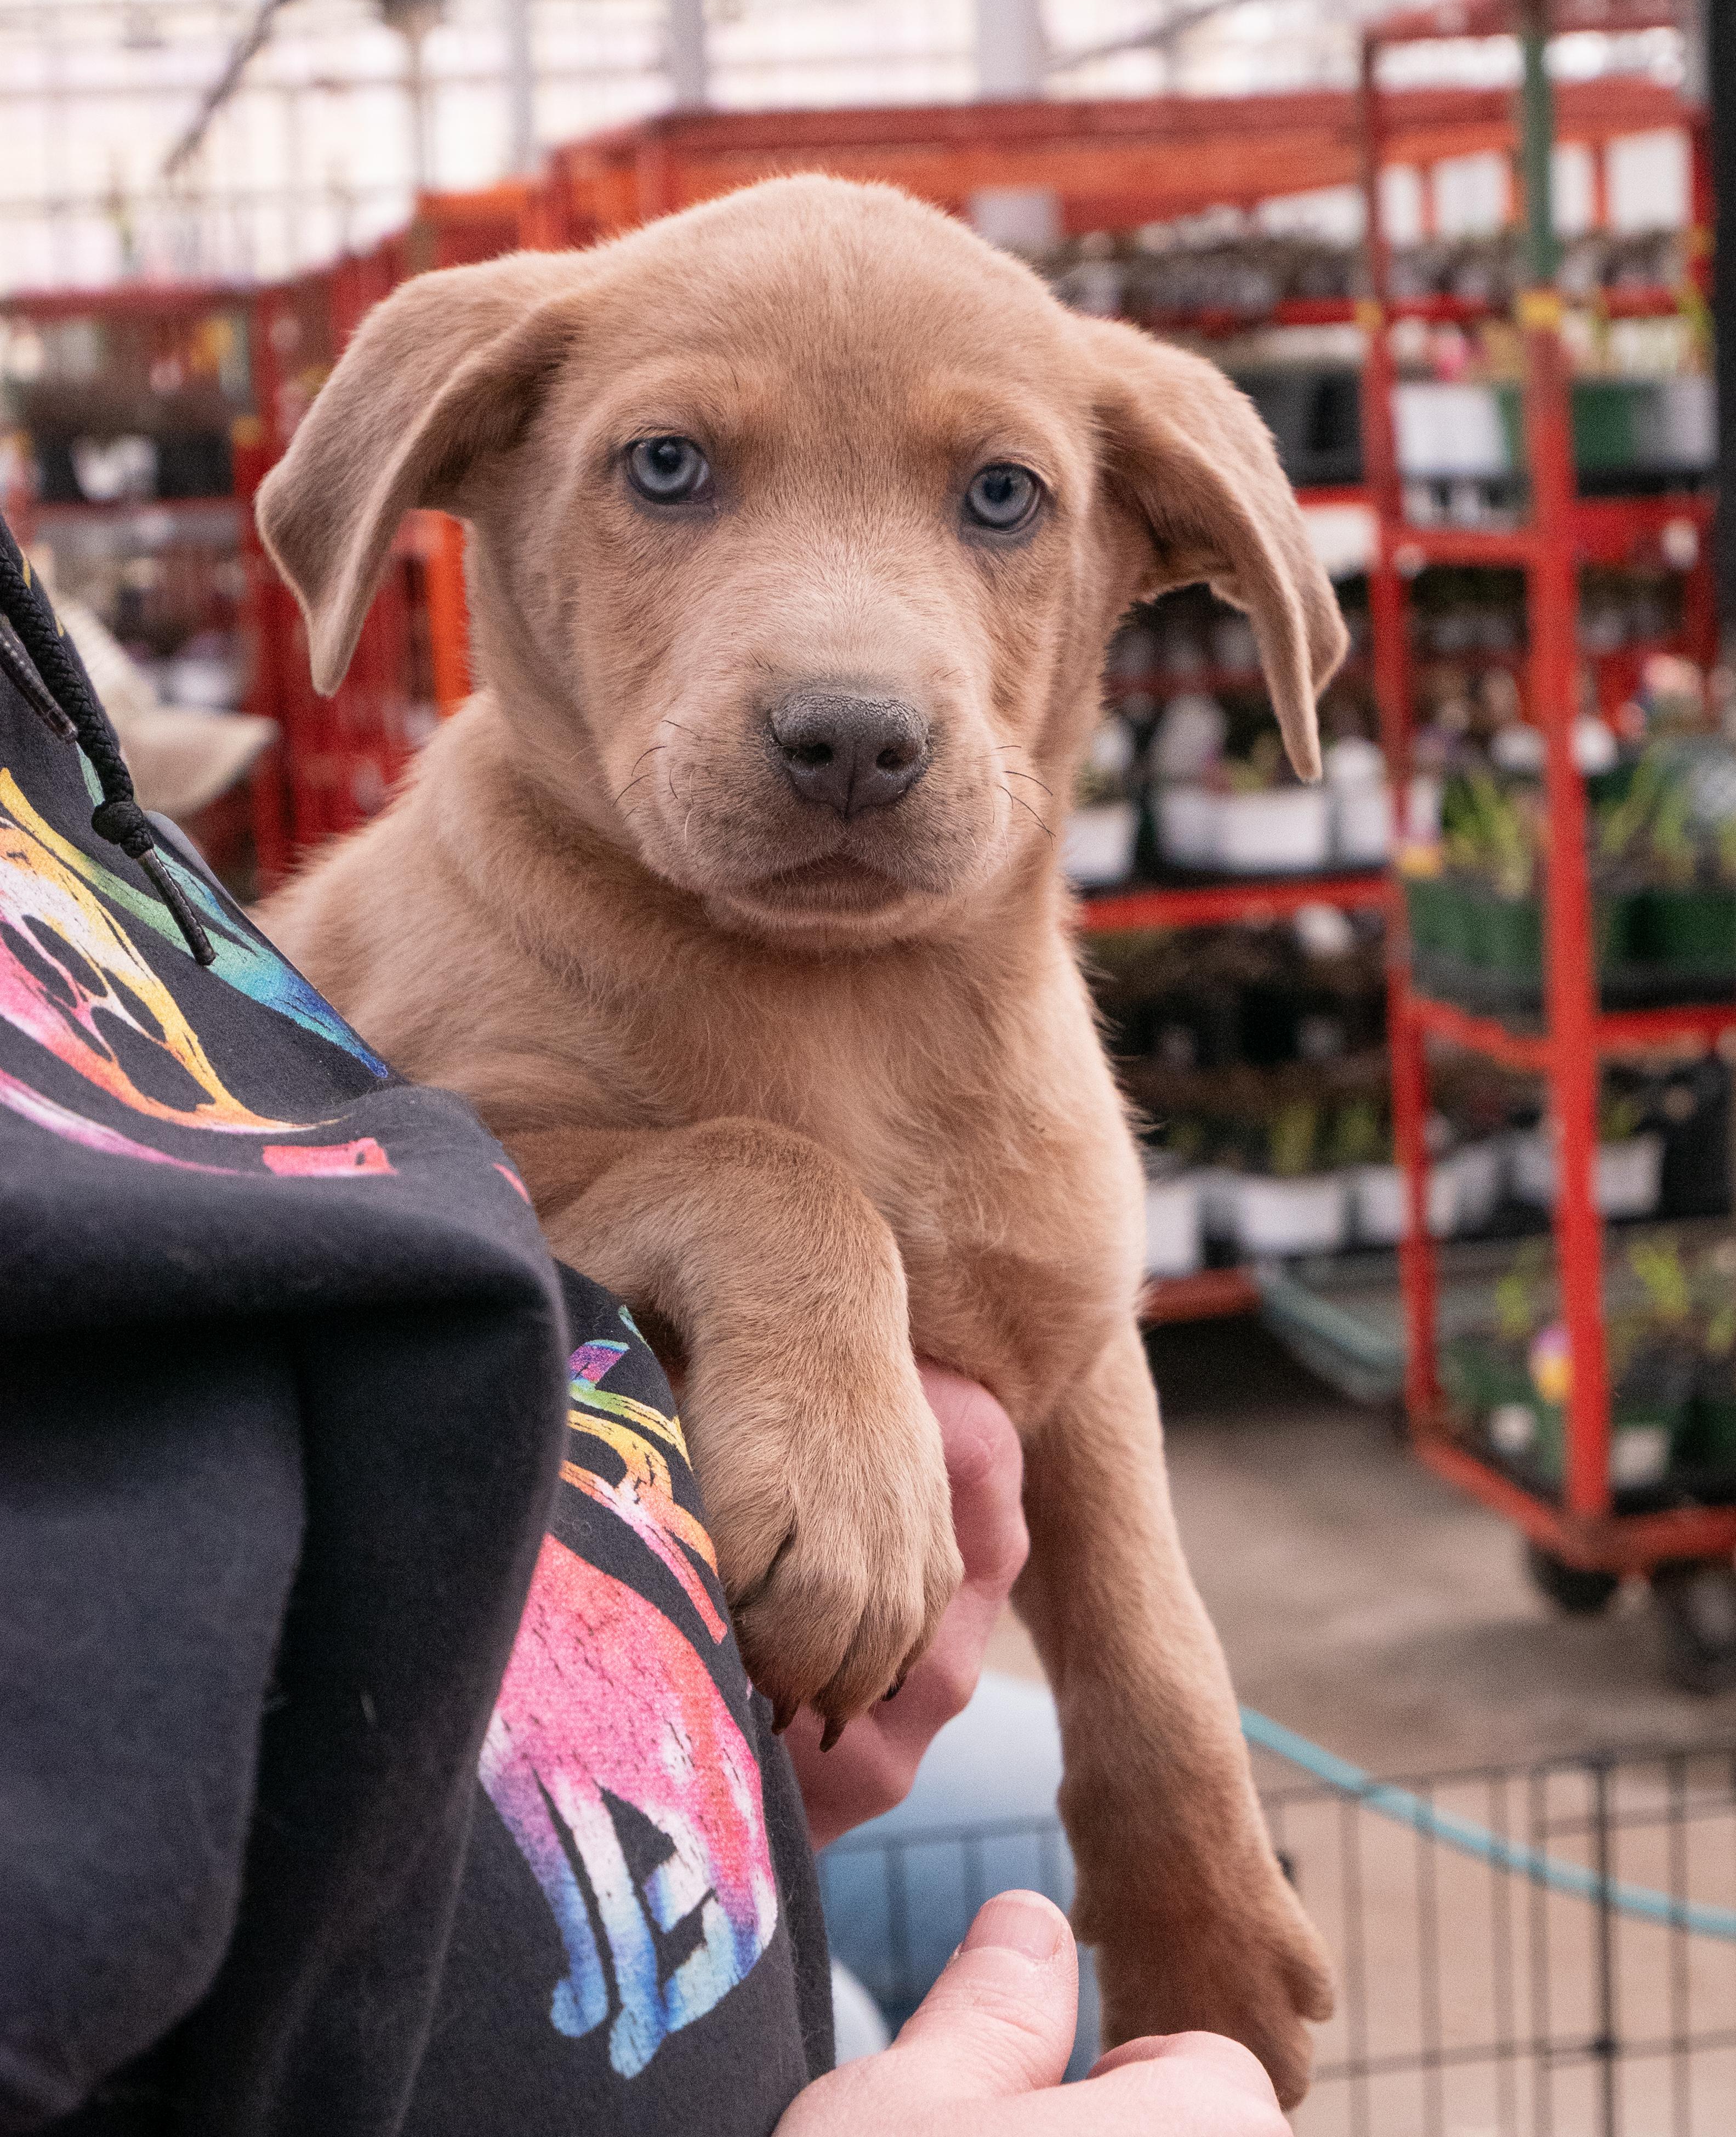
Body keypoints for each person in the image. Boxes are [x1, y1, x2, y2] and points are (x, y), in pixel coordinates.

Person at [0, 514, 1282, 2135]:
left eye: (1001, 498)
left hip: (567, 1715)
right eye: (667, 469)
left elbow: (1063, 1333)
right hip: (383, 1821)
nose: (849, 676)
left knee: (1022, 1841)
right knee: (949, 1962)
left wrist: (1167, 1784)